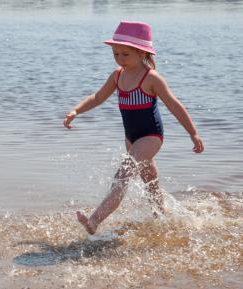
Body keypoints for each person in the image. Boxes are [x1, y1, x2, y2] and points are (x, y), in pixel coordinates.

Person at [63, 21, 204, 235]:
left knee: (123, 174)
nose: (120, 59)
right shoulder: (117, 76)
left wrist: (193, 133)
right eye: (116, 54)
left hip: (150, 137)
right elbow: (98, 97)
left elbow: (175, 105)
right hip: (131, 138)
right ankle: (162, 217)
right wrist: (76, 111)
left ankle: (94, 221)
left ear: (141, 52)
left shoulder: (151, 78)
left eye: (125, 54)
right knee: (150, 180)